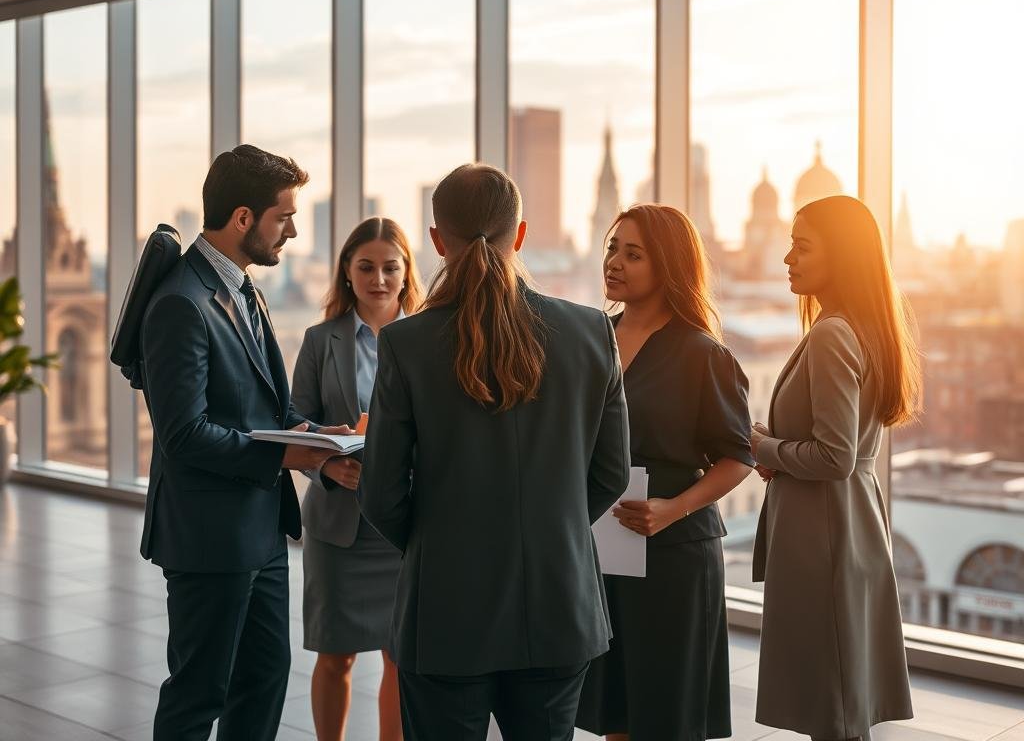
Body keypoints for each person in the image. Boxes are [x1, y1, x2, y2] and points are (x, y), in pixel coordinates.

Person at [358, 163, 630, 741]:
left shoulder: (406, 343)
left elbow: (380, 493)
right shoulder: (591, 333)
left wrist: (437, 541)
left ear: (437, 241)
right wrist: (547, 528)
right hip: (559, 606)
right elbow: (610, 473)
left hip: (445, 612)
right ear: (521, 234)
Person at [140, 144, 357, 741]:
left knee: (263, 679)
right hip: (209, 537)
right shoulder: (182, 303)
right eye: (283, 216)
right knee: (198, 692)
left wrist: (315, 435)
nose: (291, 230)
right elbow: (184, 434)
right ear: (242, 219)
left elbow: (268, 406)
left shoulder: (243, 288)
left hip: (259, 529)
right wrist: (285, 455)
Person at [575, 204, 755, 741]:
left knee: (667, 715)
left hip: (674, 555)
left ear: (669, 265)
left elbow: (738, 455)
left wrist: (673, 509)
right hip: (600, 547)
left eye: (634, 254)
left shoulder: (702, 354)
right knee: (615, 709)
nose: (615, 262)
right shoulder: (590, 338)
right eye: (612, 248)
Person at [751, 195, 919, 741]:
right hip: (852, 522)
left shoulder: (831, 334)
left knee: (833, 702)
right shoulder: (863, 328)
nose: (787, 259)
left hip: (822, 534)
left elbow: (833, 456)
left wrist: (764, 448)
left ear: (840, 257)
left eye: (801, 247)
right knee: (844, 699)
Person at [292, 216, 424, 741]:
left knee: (400, 659)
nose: (378, 279)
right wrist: (326, 463)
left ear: (407, 272)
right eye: (366, 266)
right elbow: (295, 423)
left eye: (391, 268)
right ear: (347, 270)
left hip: (405, 526)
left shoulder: (427, 337)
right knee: (335, 657)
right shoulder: (320, 339)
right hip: (339, 528)